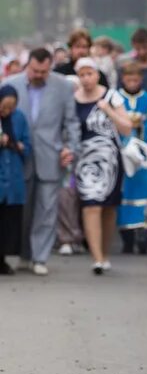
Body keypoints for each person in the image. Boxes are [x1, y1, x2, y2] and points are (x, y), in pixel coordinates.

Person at [8, 48, 80, 276]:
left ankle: (40, 257)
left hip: (52, 155)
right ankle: (24, 255)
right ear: (27, 65)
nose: (39, 75)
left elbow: (71, 121)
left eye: (44, 71)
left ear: (50, 67)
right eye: (35, 70)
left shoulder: (64, 86)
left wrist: (71, 148)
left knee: (47, 210)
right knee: (24, 210)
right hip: (19, 158)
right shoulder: (10, 85)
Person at [72, 57, 132, 274]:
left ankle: (104, 253)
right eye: (82, 75)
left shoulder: (111, 96)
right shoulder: (73, 99)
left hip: (111, 160)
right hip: (84, 161)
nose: (86, 79)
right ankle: (96, 258)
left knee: (108, 207)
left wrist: (107, 110)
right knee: (91, 205)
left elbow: (126, 127)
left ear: (97, 75)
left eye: (90, 74)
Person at [117, 61, 147, 254]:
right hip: (122, 154)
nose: (132, 83)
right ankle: (126, 238)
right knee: (124, 193)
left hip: (142, 155)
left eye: (135, 79)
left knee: (144, 193)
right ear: (122, 79)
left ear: (141, 80)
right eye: (128, 79)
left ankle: (143, 234)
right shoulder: (115, 98)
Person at [0, 85, 31, 274]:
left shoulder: (19, 118)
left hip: (13, 176)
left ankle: (2, 258)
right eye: (4, 107)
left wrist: (17, 145)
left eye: (11, 107)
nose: (7, 111)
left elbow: (28, 146)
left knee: (9, 221)